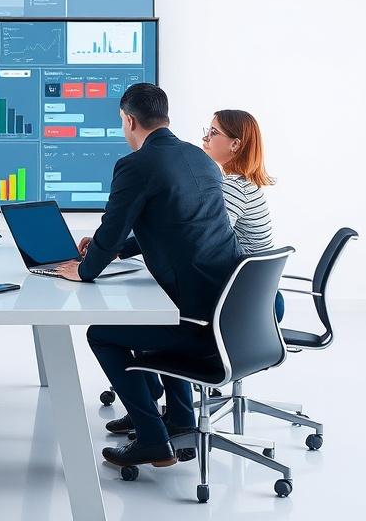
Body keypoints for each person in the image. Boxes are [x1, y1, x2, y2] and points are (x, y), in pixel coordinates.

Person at [54, 84, 243, 471]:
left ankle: (153, 438)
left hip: (200, 322)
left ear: (129, 120)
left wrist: (85, 269)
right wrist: (117, 251)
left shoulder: (136, 165)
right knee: (153, 314)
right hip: (231, 309)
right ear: (165, 116)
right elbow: (177, 223)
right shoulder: (200, 158)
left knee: (102, 334)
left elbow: (113, 227)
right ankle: (180, 420)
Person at [201, 109, 282, 321]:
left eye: (213, 133)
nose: (205, 138)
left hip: (249, 298)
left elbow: (210, 240)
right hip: (260, 293)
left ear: (235, 145)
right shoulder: (244, 183)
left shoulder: (234, 187)